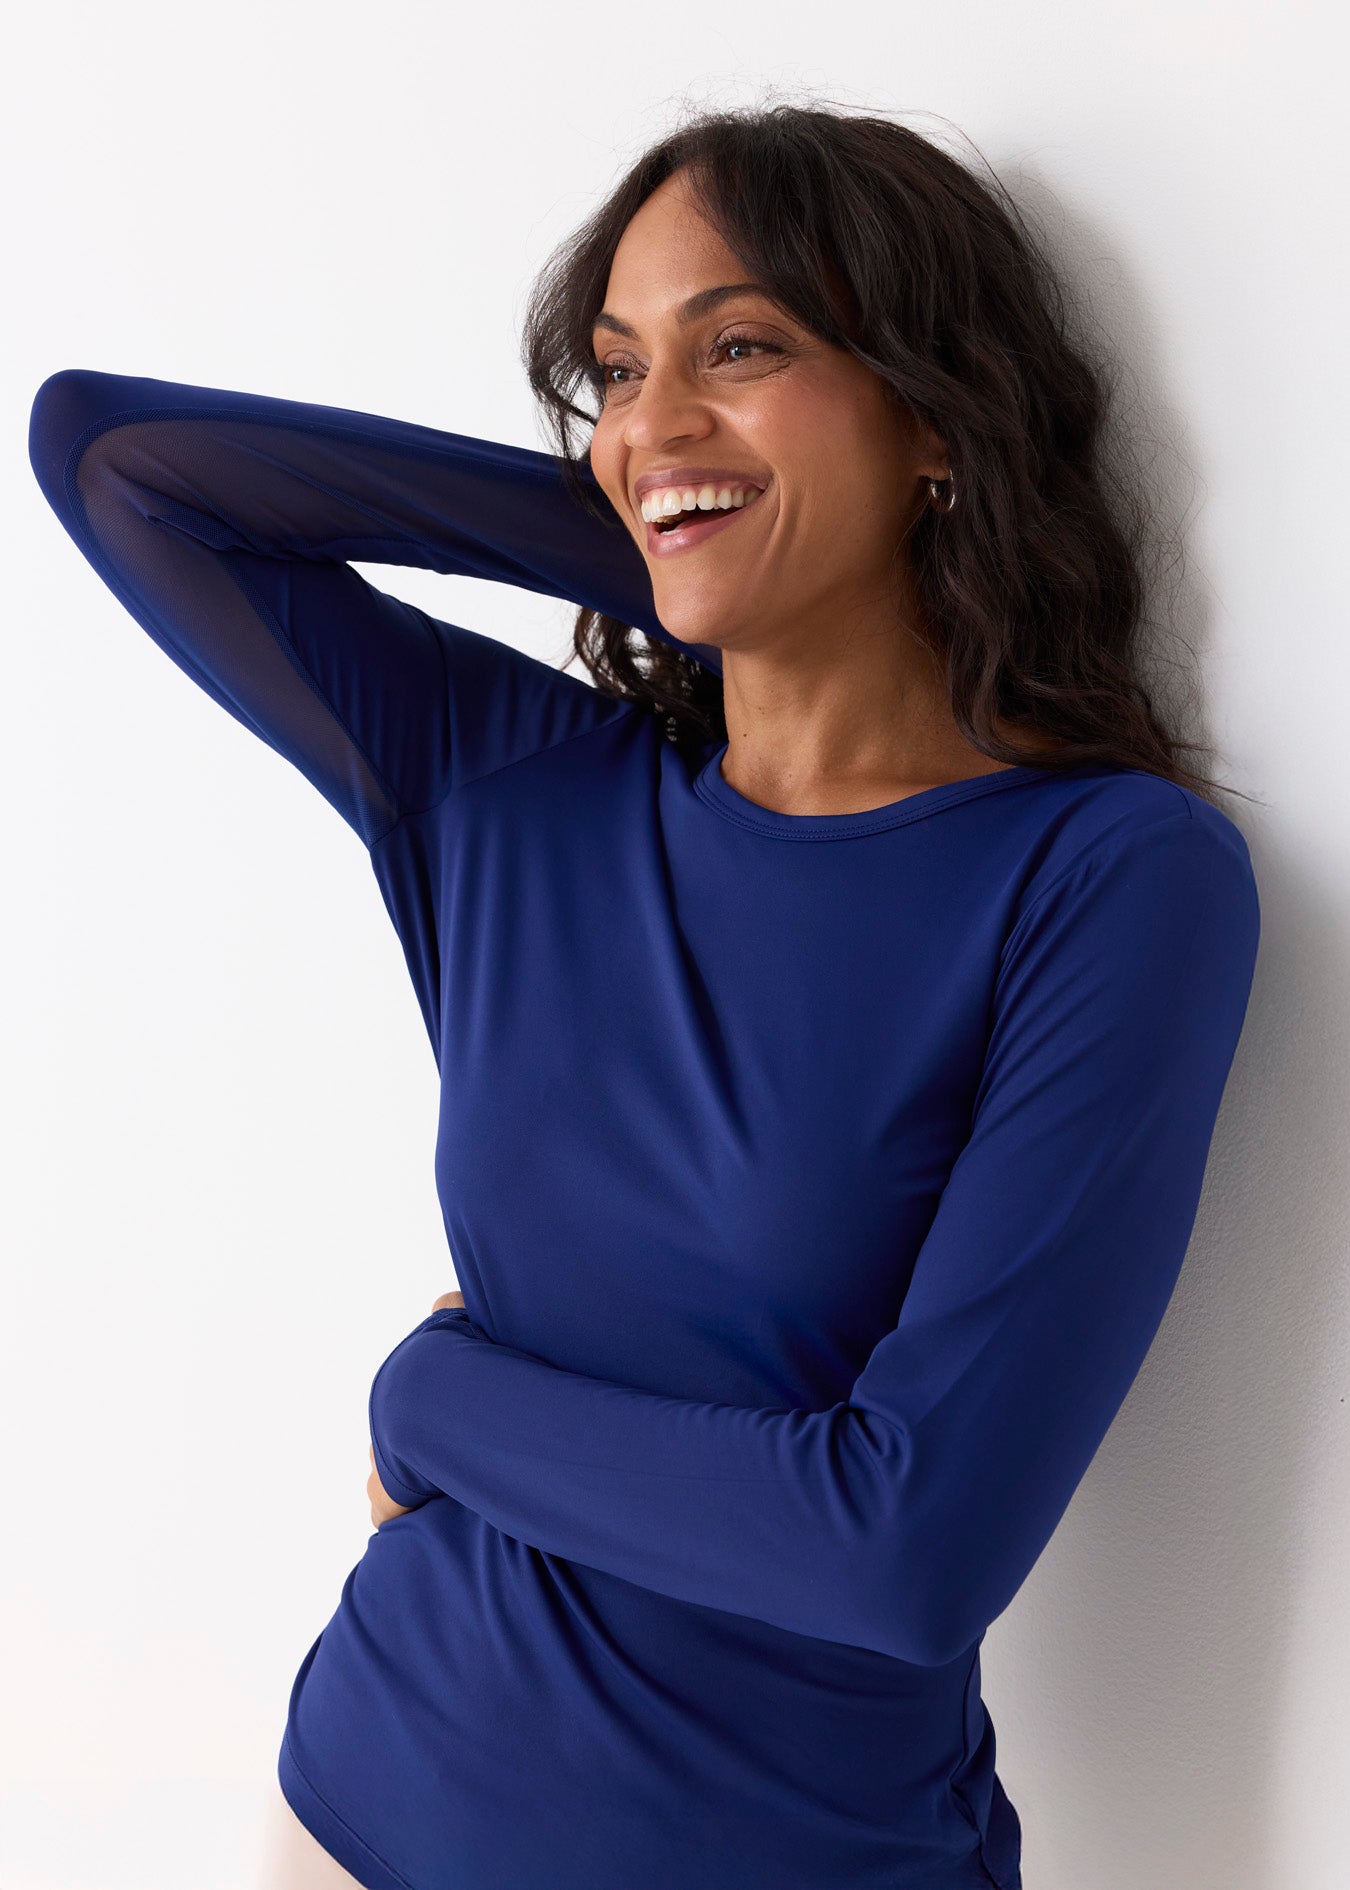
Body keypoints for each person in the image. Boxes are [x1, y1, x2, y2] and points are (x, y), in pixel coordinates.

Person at [28, 101, 1261, 1890]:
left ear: (936, 414)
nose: (651, 415)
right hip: (360, 1806)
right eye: (616, 374)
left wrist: (429, 1398)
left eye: (739, 348)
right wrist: (672, 530)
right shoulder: (515, 788)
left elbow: (899, 1548)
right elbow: (116, 459)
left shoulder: (1105, 874)